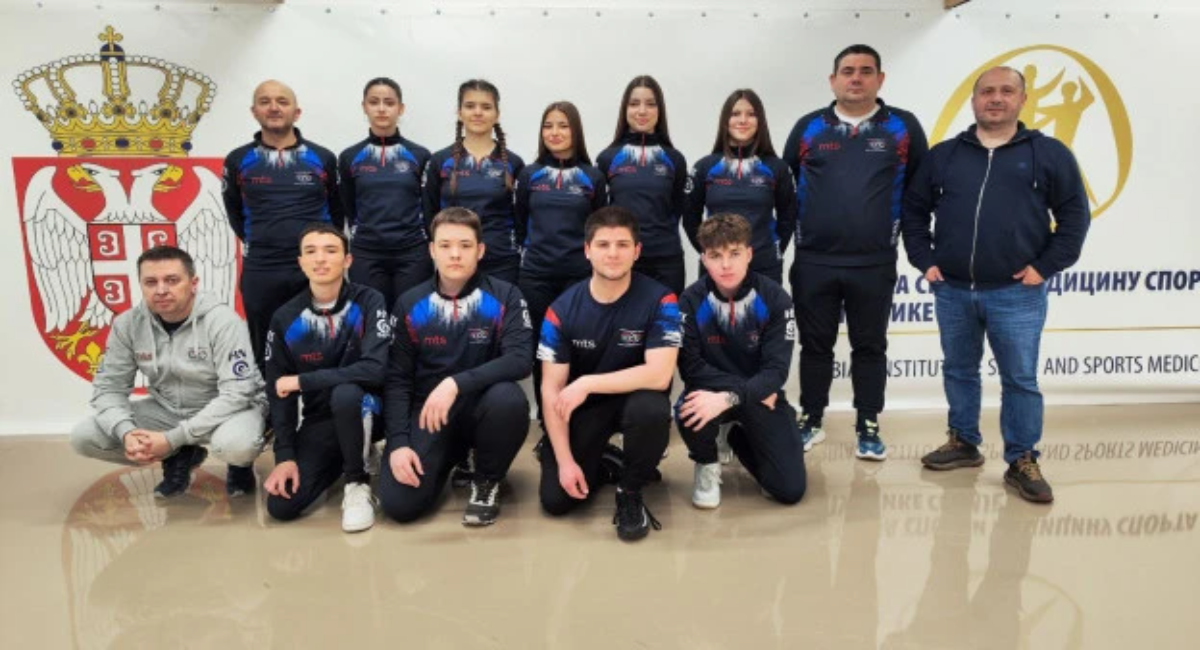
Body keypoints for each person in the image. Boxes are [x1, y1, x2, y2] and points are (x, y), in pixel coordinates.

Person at [902, 66, 1091, 504]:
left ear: (1022, 100)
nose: (996, 98)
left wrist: (1046, 267)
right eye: (987, 91)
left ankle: (1022, 459)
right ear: (974, 101)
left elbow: (1074, 217)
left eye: (1007, 91)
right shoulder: (945, 155)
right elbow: (913, 210)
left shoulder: (1049, 154)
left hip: (1016, 293)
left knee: (1019, 379)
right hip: (953, 290)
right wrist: (924, 260)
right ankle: (963, 441)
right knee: (959, 369)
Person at [781, 44, 929, 461]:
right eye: (848, 71)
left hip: (873, 262)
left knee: (870, 347)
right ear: (833, 80)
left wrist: (917, 249)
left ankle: (868, 423)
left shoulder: (902, 127)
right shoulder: (809, 127)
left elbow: (919, 192)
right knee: (815, 346)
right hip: (814, 260)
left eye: (866, 71)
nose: (856, 78)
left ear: (880, 79)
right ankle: (811, 419)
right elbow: (784, 184)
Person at [69, 245, 267, 498]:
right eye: (151, 282)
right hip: (168, 409)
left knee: (237, 446)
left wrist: (172, 438)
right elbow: (108, 388)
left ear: (193, 283)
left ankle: (239, 465)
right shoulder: (127, 324)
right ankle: (180, 454)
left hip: (227, 411)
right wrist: (127, 432)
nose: (161, 290)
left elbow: (237, 393)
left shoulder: (222, 321)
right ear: (141, 285)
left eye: (172, 280)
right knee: (84, 437)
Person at [380, 208, 533, 526]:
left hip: (482, 406)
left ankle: (487, 478)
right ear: (432, 250)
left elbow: (520, 360)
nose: (455, 254)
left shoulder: (506, 295)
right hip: (430, 413)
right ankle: (452, 456)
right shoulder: (410, 303)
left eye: (465, 245)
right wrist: (398, 444)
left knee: (509, 399)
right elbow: (397, 379)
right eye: (445, 245)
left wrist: (455, 383)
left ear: (480, 250)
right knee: (400, 505)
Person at [537, 206, 681, 541]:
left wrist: (588, 382)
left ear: (637, 251)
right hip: (588, 409)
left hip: (637, 402)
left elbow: (660, 375)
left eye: (622, 244)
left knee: (651, 408)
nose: (613, 253)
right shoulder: (561, 310)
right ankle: (602, 463)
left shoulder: (662, 300)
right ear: (587, 250)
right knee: (557, 501)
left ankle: (630, 491)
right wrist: (565, 462)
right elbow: (550, 389)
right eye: (603, 245)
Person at [262, 223, 391, 531]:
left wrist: (303, 381)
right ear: (301, 261)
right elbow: (278, 392)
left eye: (330, 251)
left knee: (347, 394)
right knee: (282, 505)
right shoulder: (285, 317)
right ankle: (352, 453)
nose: (320, 259)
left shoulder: (370, 301)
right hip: (322, 418)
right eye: (311, 252)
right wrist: (284, 456)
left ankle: (357, 482)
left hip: (376, 410)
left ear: (347, 260)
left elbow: (376, 369)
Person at [676, 214, 806, 508]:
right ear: (704, 259)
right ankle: (707, 463)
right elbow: (691, 368)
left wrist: (734, 397)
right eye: (715, 256)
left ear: (749, 254)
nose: (725, 265)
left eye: (734, 254)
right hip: (734, 392)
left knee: (788, 490)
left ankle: (735, 435)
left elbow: (776, 372)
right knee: (688, 408)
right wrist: (739, 393)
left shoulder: (775, 299)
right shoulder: (689, 301)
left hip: (760, 396)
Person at [223, 79, 343, 374]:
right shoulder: (238, 160)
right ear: (254, 111)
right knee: (265, 344)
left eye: (282, 101)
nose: (274, 108)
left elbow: (338, 213)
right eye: (265, 102)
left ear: (296, 112)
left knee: (322, 339)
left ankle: (320, 400)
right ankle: (271, 400)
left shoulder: (323, 158)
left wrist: (319, 251)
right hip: (263, 266)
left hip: (314, 266)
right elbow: (234, 212)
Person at [515, 101, 608, 417]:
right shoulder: (529, 175)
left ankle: (580, 422)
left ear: (576, 130)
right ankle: (548, 421)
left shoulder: (592, 177)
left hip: (580, 277)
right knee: (544, 352)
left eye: (563, 125)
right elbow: (519, 223)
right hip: (536, 277)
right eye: (548, 125)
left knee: (581, 349)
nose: (554, 132)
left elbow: (600, 228)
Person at [683, 89, 796, 285]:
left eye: (751, 114)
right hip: (717, 268)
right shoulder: (704, 167)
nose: (743, 120)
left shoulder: (778, 168)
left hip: (764, 266)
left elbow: (788, 217)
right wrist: (711, 251)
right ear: (725, 120)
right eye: (735, 114)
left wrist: (771, 251)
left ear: (760, 121)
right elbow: (690, 217)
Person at [339, 77, 433, 309]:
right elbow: (347, 205)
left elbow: (429, 205)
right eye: (374, 102)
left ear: (400, 108)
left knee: (410, 319)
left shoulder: (420, 155)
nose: (381, 109)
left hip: (412, 253)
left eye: (389, 103)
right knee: (371, 319)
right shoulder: (349, 157)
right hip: (367, 254)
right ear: (364, 107)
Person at [423, 79, 525, 285]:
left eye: (486, 107)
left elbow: (522, 217)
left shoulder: (514, 163)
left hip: (502, 261)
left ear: (497, 114)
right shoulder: (439, 161)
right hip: (454, 261)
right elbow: (428, 212)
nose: (478, 113)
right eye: (470, 106)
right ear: (459, 112)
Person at [596, 75, 688, 295]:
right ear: (625, 109)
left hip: (666, 261)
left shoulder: (674, 159)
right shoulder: (607, 158)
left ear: (660, 110)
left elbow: (678, 209)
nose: (642, 111)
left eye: (650, 104)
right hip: (622, 260)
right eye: (634, 103)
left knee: (667, 318)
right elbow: (598, 213)